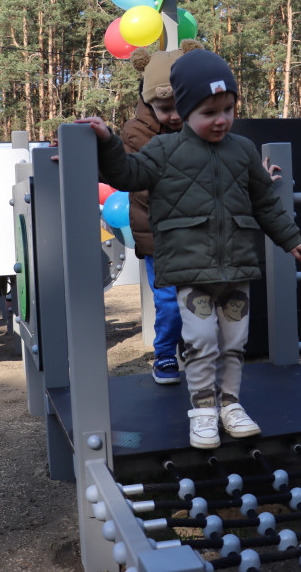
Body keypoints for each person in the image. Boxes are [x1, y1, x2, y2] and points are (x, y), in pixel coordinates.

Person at [78, 49, 301, 450]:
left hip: (236, 268)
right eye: (209, 112)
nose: (221, 119)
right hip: (192, 272)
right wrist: (107, 141)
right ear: (186, 111)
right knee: (202, 341)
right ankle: (203, 411)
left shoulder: (241, 150)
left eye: (228, 109)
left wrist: (292, 239)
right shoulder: (164, 151)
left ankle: (231, 405)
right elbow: (127, 174)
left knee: (235, 342)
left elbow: (265, 202)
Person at [121, 40, 203, 384]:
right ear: (148, 101)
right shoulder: (137, 132)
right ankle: (165, 355)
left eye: (179, 106)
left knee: (200, 300)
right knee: (169, 302)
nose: (173, 116)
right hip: (158, 234)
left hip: (197, 231)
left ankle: (195, 349)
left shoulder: (200, 124)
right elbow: (127, 170)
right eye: (163, 108)